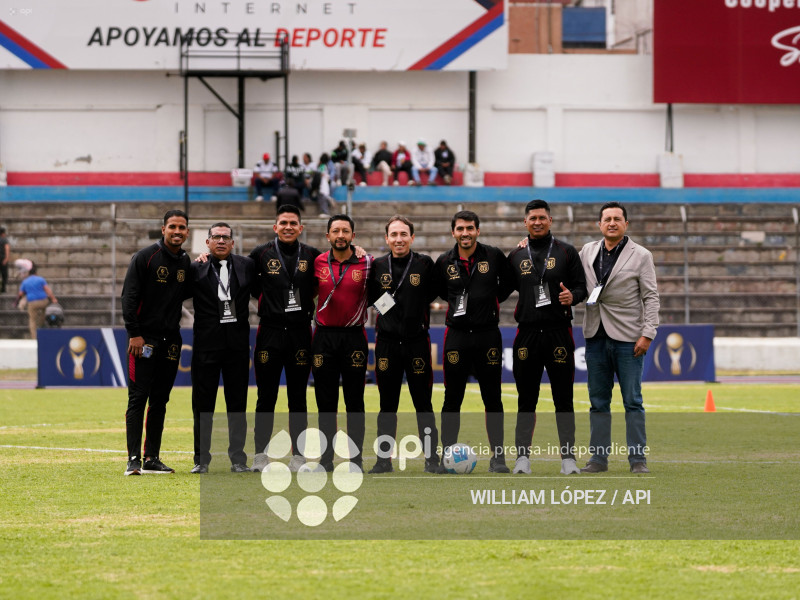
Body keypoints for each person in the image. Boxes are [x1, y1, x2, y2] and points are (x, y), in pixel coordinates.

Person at [507, 199, 587, 475]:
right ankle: (522, 459)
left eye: (542, 217)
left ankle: (568, 460)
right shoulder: (516, 255)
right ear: (525, 222)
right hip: (527, 335)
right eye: (533, 218)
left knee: (563, 399)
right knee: (525, 399)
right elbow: (500, 289)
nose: (537, 222)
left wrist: (573, 296)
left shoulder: (566, 252)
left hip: (558, 334)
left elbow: (582, 288)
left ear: (550, 220)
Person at [579, 201, 660, 474]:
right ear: (598, 224)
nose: (612, 223)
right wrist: (525, 242)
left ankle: (638, 460)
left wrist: (648, 333)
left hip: (629, 338)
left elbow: (650, 297)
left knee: (632, 401)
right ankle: (598, 460)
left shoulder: (641, 255)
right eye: (607, 219)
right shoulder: (587, 251)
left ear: (626, 224)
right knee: (598, 402)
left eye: (617, 219)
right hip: (595, 336)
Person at [433, 210, 514, 473]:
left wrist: (491, 299)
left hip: (488, 335)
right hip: (456, 336)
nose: (465, 233)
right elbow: (442, 292)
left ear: (478, 230)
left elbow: (509, 282)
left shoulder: (493, 255)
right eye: (460, 229)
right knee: (451, 398)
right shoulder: (444, 261)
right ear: (453, 232)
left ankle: (498, 458)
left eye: (470, 228)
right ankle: (447, 457)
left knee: (493, 398)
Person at [249, 205, 321, 473]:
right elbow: (249, 282)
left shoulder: (312, 255)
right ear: (275, 227)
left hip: (301, 332)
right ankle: (260, 456)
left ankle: (299, 457)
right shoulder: (260, 253)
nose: (288, 227)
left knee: (298, 397)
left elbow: (318, 284)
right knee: (265, 397)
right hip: (269, 331)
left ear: (300, 228)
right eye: (283, 222)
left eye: (293, 223)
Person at [367, 215, 441, 474]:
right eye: (394, 235)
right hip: (386, 343)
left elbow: (430, 294)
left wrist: (410, 310)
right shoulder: (376, 266)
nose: (399, 239)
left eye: (403, 234)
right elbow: (371, 299)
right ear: (387, 238)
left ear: (412, 237)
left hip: (417, 342)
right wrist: (391, 309)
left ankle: (432, 460)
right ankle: (383, 460)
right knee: (387, 405)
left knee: (424, 403)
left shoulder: (424, 264)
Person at [121, 210, 191, 476]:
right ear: (163, 229)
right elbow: (128, 297)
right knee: (138, 398)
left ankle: (152, 457)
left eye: (182, 228)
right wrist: (134, 333)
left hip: (171, 340)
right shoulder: (144, 257)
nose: (177, 231)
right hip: (144, 339)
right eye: (172, 226)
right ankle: (133, 459)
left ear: (187, 231)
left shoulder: (185, 261)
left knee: (160, 400)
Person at [189, 223, 255, 474]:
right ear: (207, 242)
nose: (220, 241)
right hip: (206, 345)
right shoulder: (196, 268)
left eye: (225, 237)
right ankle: (201, 460)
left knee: (237, 405)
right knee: (203, 405)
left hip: (237, 346)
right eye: (215, 237)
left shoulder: (247, 265)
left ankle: (238, 459)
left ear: (232, 243)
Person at [312, 214, 372, 472]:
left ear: (352, 236)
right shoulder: (317, 262)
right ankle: (325, 461)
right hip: (323, 337)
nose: (340, 235)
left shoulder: (367, 263)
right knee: (325, 403)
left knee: (355, 402)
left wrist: (374, 311)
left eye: (345, 231)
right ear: (328, 236)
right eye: (335, 231)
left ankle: (355, 460)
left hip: (354, 338)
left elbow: (382, 296)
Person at [15, 264, 58, 339]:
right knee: (43, 314)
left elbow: (21, 293)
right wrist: (53, 298)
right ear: (36, 273)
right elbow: (47, 290)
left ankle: (34, 337)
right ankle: (41, 325)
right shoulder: (41, 279)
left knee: (32, 319)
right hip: (43, 301)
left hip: (32, 302)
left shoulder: (25, 282)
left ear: (28, 273)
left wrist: (25, 296)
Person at [0, 226, 9, 293]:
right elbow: (7, 249)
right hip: (2, 259)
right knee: (4, 275)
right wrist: (6, 258)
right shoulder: (4, 240)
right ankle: (3, 288)